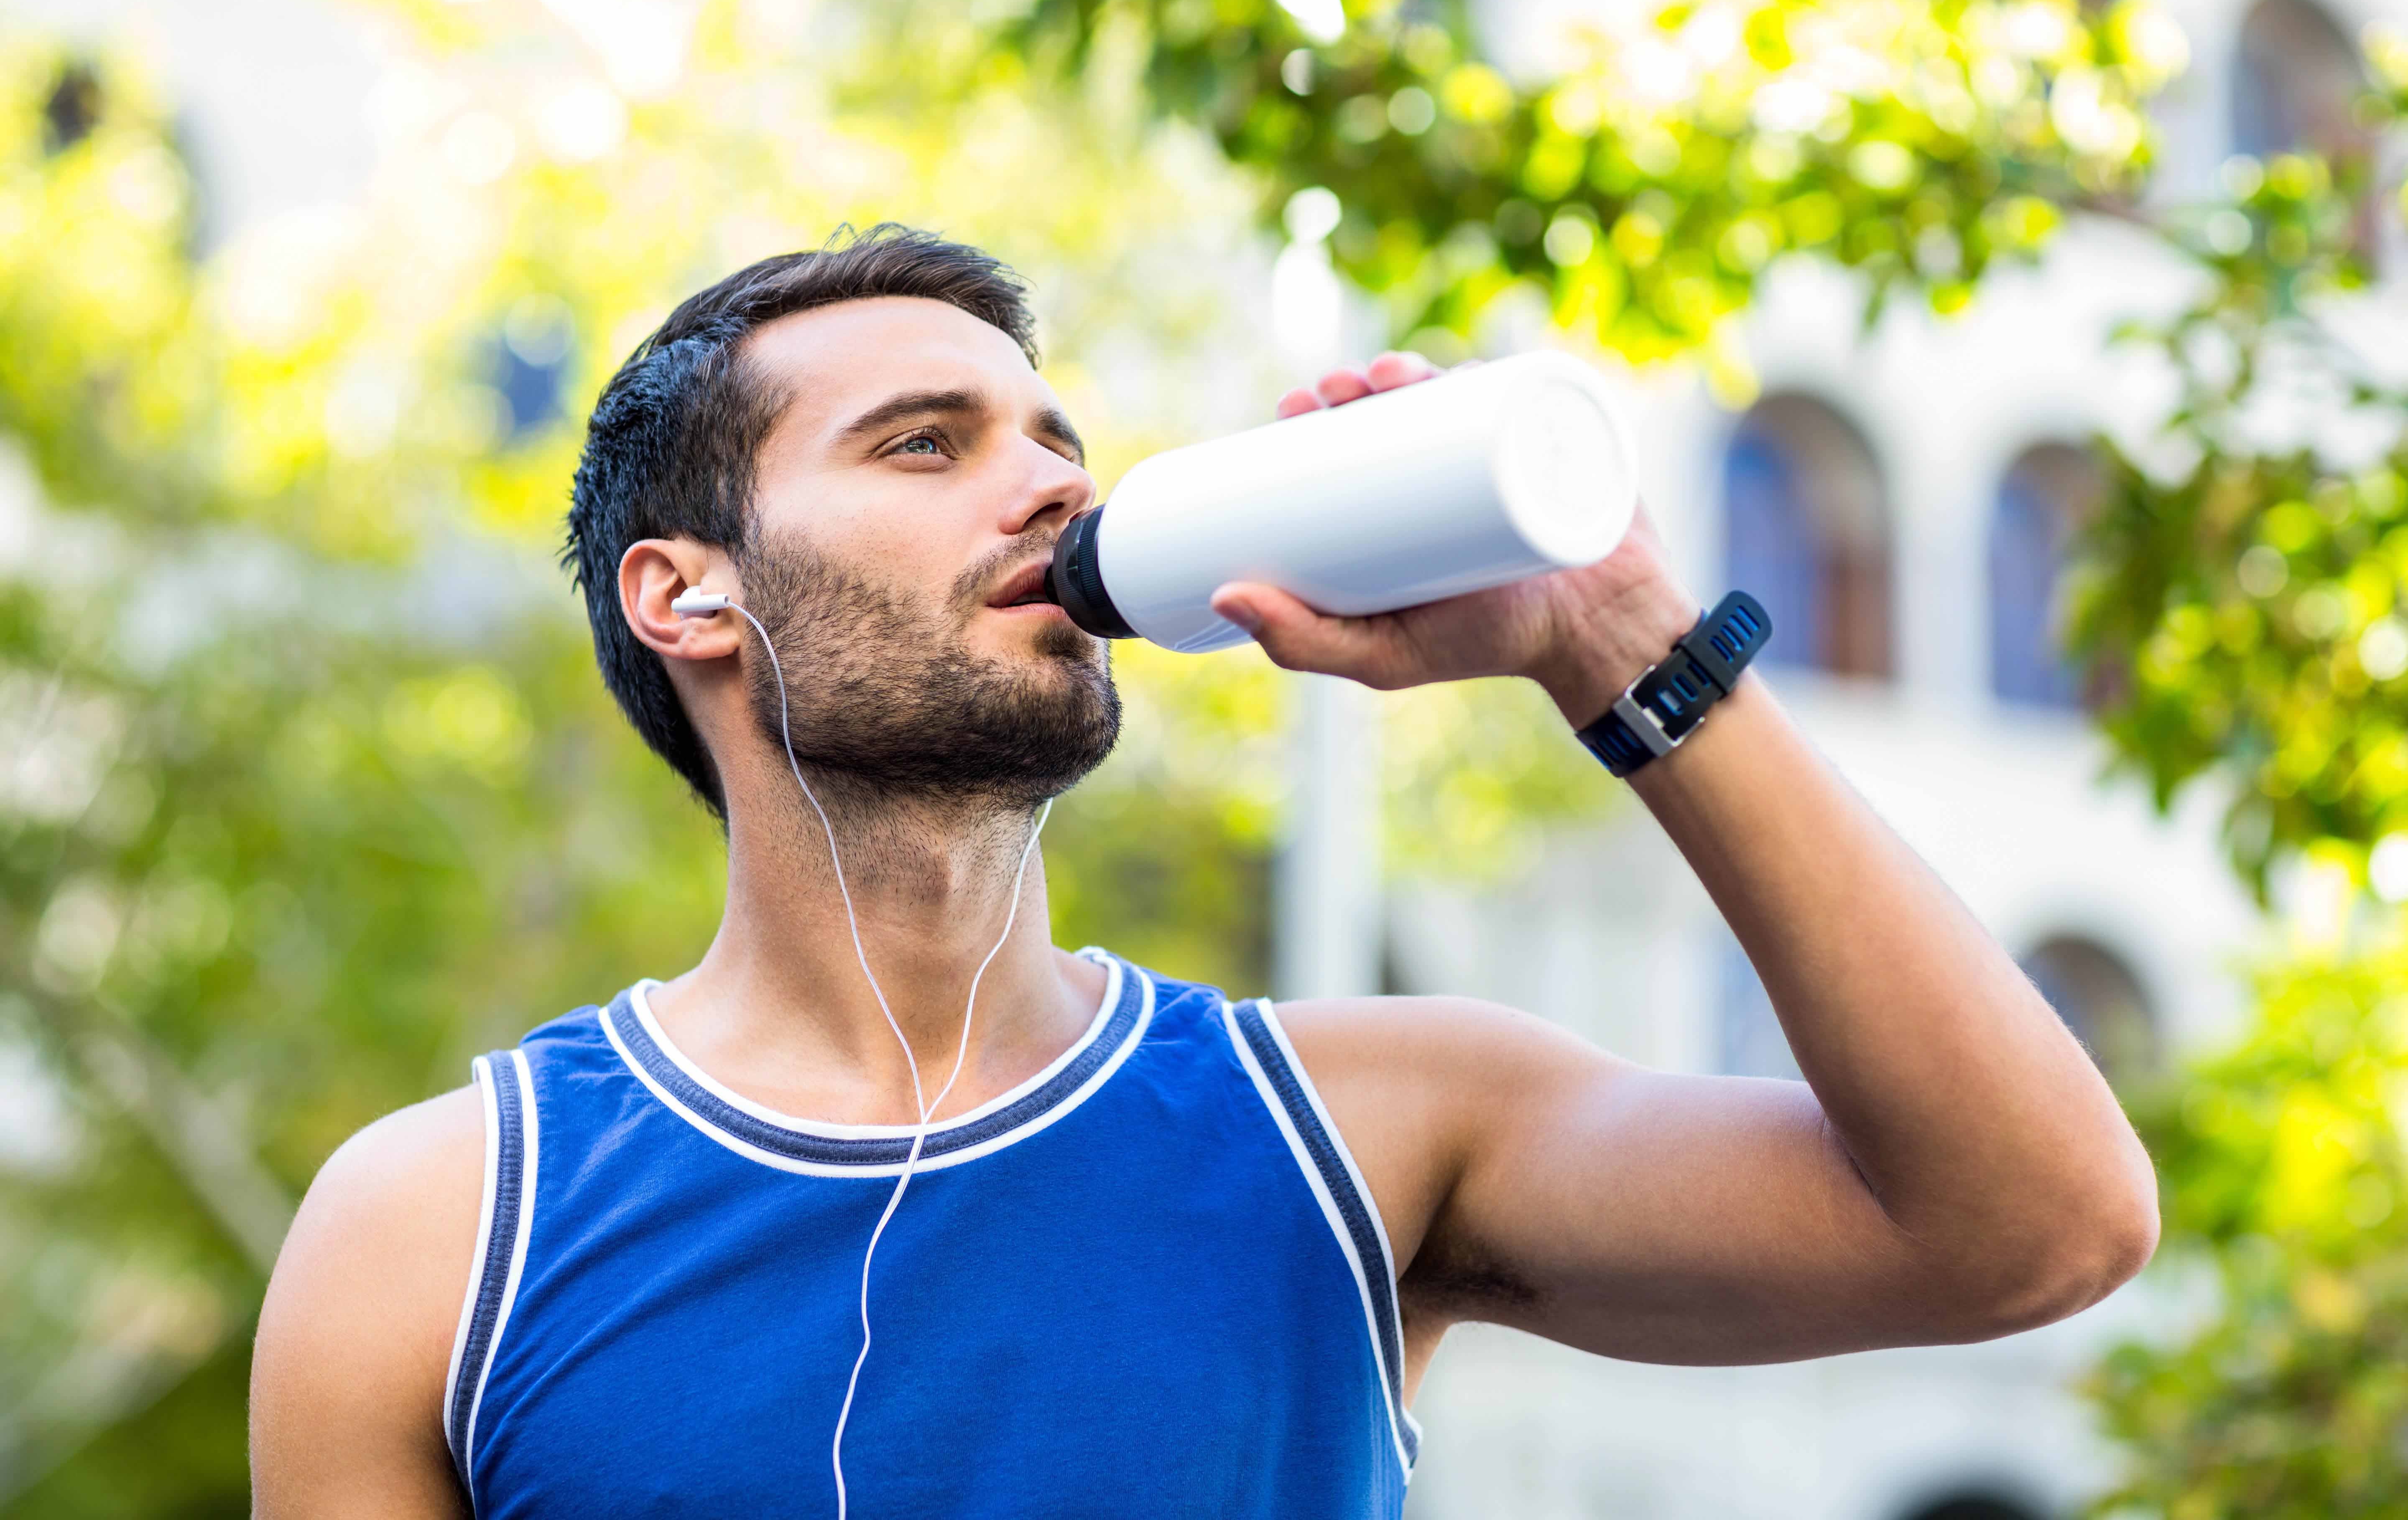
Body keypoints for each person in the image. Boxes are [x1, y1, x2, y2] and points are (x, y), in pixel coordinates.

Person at [249, 223, 2159, 1518]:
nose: (1051, 487)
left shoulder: (1370, 1126)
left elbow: (2040, 1228)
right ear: (689, 594)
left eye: (1057, 445)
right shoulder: (441, 1229)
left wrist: (1614, 634)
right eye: (928, 444)